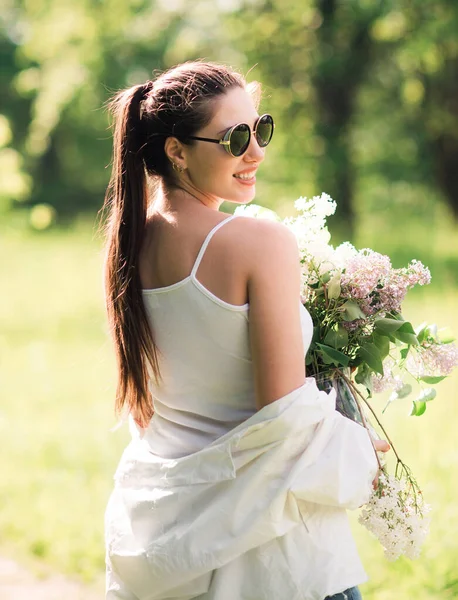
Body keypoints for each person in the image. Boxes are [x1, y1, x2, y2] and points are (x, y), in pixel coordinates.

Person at [102, 60, 389, 600]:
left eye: (261, 129)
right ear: (176, 150)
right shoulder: (259, 244)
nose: (255, 151)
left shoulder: (129, 244)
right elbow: (283, 417)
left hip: (172, 535)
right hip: (274, 550)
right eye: (235, 137)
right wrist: (359, 448)